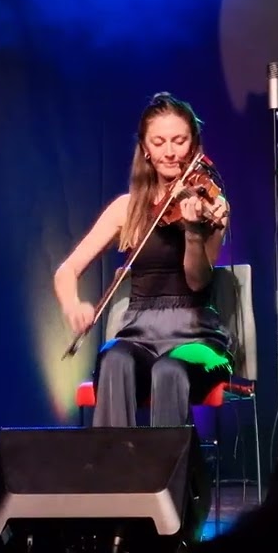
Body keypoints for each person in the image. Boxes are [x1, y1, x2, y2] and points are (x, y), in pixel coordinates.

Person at [54, 92, 233, 427]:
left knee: (170, 370)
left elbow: (197, 281)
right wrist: (72, 306)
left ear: (194, 144)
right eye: (159, 142)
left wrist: (194, 233)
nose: (170, 152)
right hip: (138, 332)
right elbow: (67, 271)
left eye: (179, 141)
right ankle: (117, 474)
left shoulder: (211, 202)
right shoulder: (127, 208)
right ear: (146, 150)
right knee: (114, 360)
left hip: (195, 335)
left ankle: (168, 477)